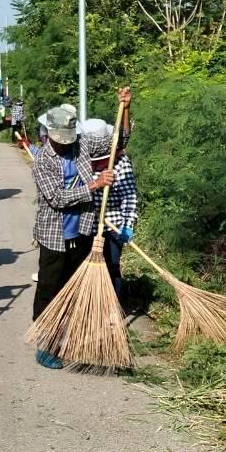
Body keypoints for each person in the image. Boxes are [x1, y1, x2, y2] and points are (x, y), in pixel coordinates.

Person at [30, 107, 114, 368]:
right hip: (54, 235)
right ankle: (46, 342)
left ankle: (70, 335)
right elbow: (57, 198)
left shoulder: (81, 144)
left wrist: (126, 107)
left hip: (82, 230)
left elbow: (117, 140)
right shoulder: (43, 161)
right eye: (59, 140)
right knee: (49, 289)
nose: (65, 144)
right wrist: (94, 185)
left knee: (73, 287)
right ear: (50, 135)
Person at [81, 88, 137, 302]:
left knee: (112, 267)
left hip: (113, 225)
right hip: (86, 224)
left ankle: (113, 309)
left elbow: (129, 195)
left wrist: (128, 225)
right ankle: (90, 307)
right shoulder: (81, 161)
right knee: (87, 270)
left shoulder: (119, 161)